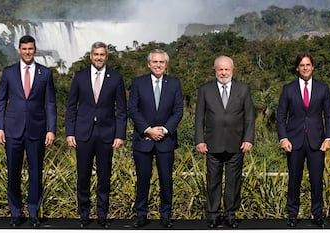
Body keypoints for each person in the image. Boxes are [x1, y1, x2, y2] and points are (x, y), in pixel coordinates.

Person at [0, 35, 57, 228]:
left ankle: (33, 212)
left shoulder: (45, 73)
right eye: (24, 49)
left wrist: (51, 129)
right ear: (19, 50)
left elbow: (50, 103)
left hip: (37, 130)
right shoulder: (8, 72)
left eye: (30, 49)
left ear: (35, 49)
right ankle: (15, 213)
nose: (27, 52)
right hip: (13, 130)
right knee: (13, 172)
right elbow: (1, 102)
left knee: (35, 172)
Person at [65, 41, 127, 229]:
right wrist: (69, 132)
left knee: (104, 177)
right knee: (83, 177)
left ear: (106, 56)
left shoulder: (116, 78)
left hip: (106, 135)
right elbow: (71, 107)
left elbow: (121, 110)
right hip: (82, 134)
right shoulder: (80, 76)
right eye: (95, 54)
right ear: (90, 56)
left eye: (102, 54)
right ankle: (84, 215)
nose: (98, 57)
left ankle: (102, 215)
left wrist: (120, 134)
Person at [195, 55, 255, 229]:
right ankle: (213, 215)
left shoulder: (243, 89)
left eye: (226, 69)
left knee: (233, 181)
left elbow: (250, 117)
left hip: (236, 144)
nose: (223, 72)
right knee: (212, 180)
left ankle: (230, 215)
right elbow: (199, 118)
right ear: (215, 70)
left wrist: (248, 139)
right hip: (212, 144)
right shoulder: (205, 89)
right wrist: (200, 140)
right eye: (220, 69)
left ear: (232, 70)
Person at [276, 52, 330, 228]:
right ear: (297, 68)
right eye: (302, 65)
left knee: (317, 180)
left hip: (317, 142)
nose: (305, 68)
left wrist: (329, 138)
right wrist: (283, 138)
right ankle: (292, 215)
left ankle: (317, 215)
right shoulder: (288, 89)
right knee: (294, 179)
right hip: (294, 142)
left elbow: (329, 116)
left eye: (308, 65)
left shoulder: (323, 88)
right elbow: (281, 116)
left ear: (313, 67)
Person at [128, 49, 183, 228]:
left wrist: (164, 130)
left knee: (166, 180)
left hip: (166, 141)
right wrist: (148, 130)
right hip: (143, 140)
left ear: (166, 65)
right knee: (143, 179)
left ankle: (165, 216)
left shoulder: (174, 83)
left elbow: (178, 111)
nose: (158, 65)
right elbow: (133, 110)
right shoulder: (138, 83)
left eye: (161, 62)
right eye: (155, 62)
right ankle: (141, 215)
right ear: (148, 64)